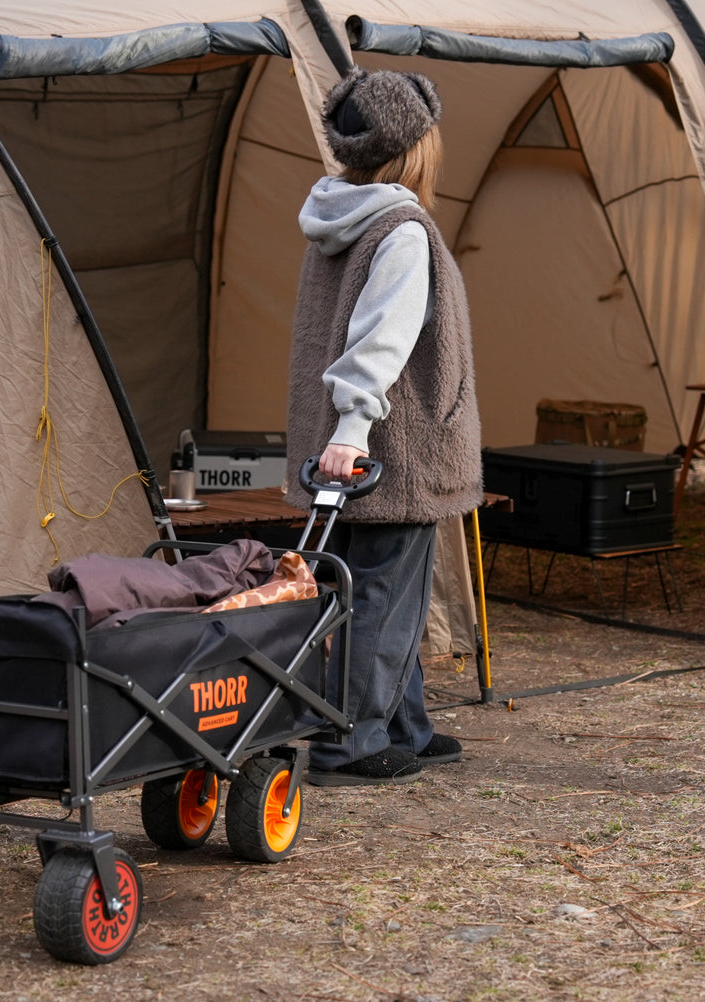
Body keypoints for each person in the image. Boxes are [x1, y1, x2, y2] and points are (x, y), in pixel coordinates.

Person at [285, 68, 483, 786]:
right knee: (378, 592)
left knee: (396, 587)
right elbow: (380, 340)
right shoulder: (399, 230)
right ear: (414, 147)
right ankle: (350, 743)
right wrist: (352, 432)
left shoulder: (341, 215)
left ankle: (403, 724)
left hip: (356, 442)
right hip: (383, 447)